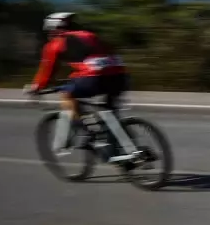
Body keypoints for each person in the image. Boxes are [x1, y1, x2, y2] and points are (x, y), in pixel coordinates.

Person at [25, 12, 136, 160]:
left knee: (67, 95)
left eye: (49, 31)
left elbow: (47, 70)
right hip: (120, 76)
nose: (48, 35)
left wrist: (36, 88)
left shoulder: (55, 44)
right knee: (109, 113)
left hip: (93, 77)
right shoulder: (89, 35)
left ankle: (85, 132)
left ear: (53, 29)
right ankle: (123, 151)